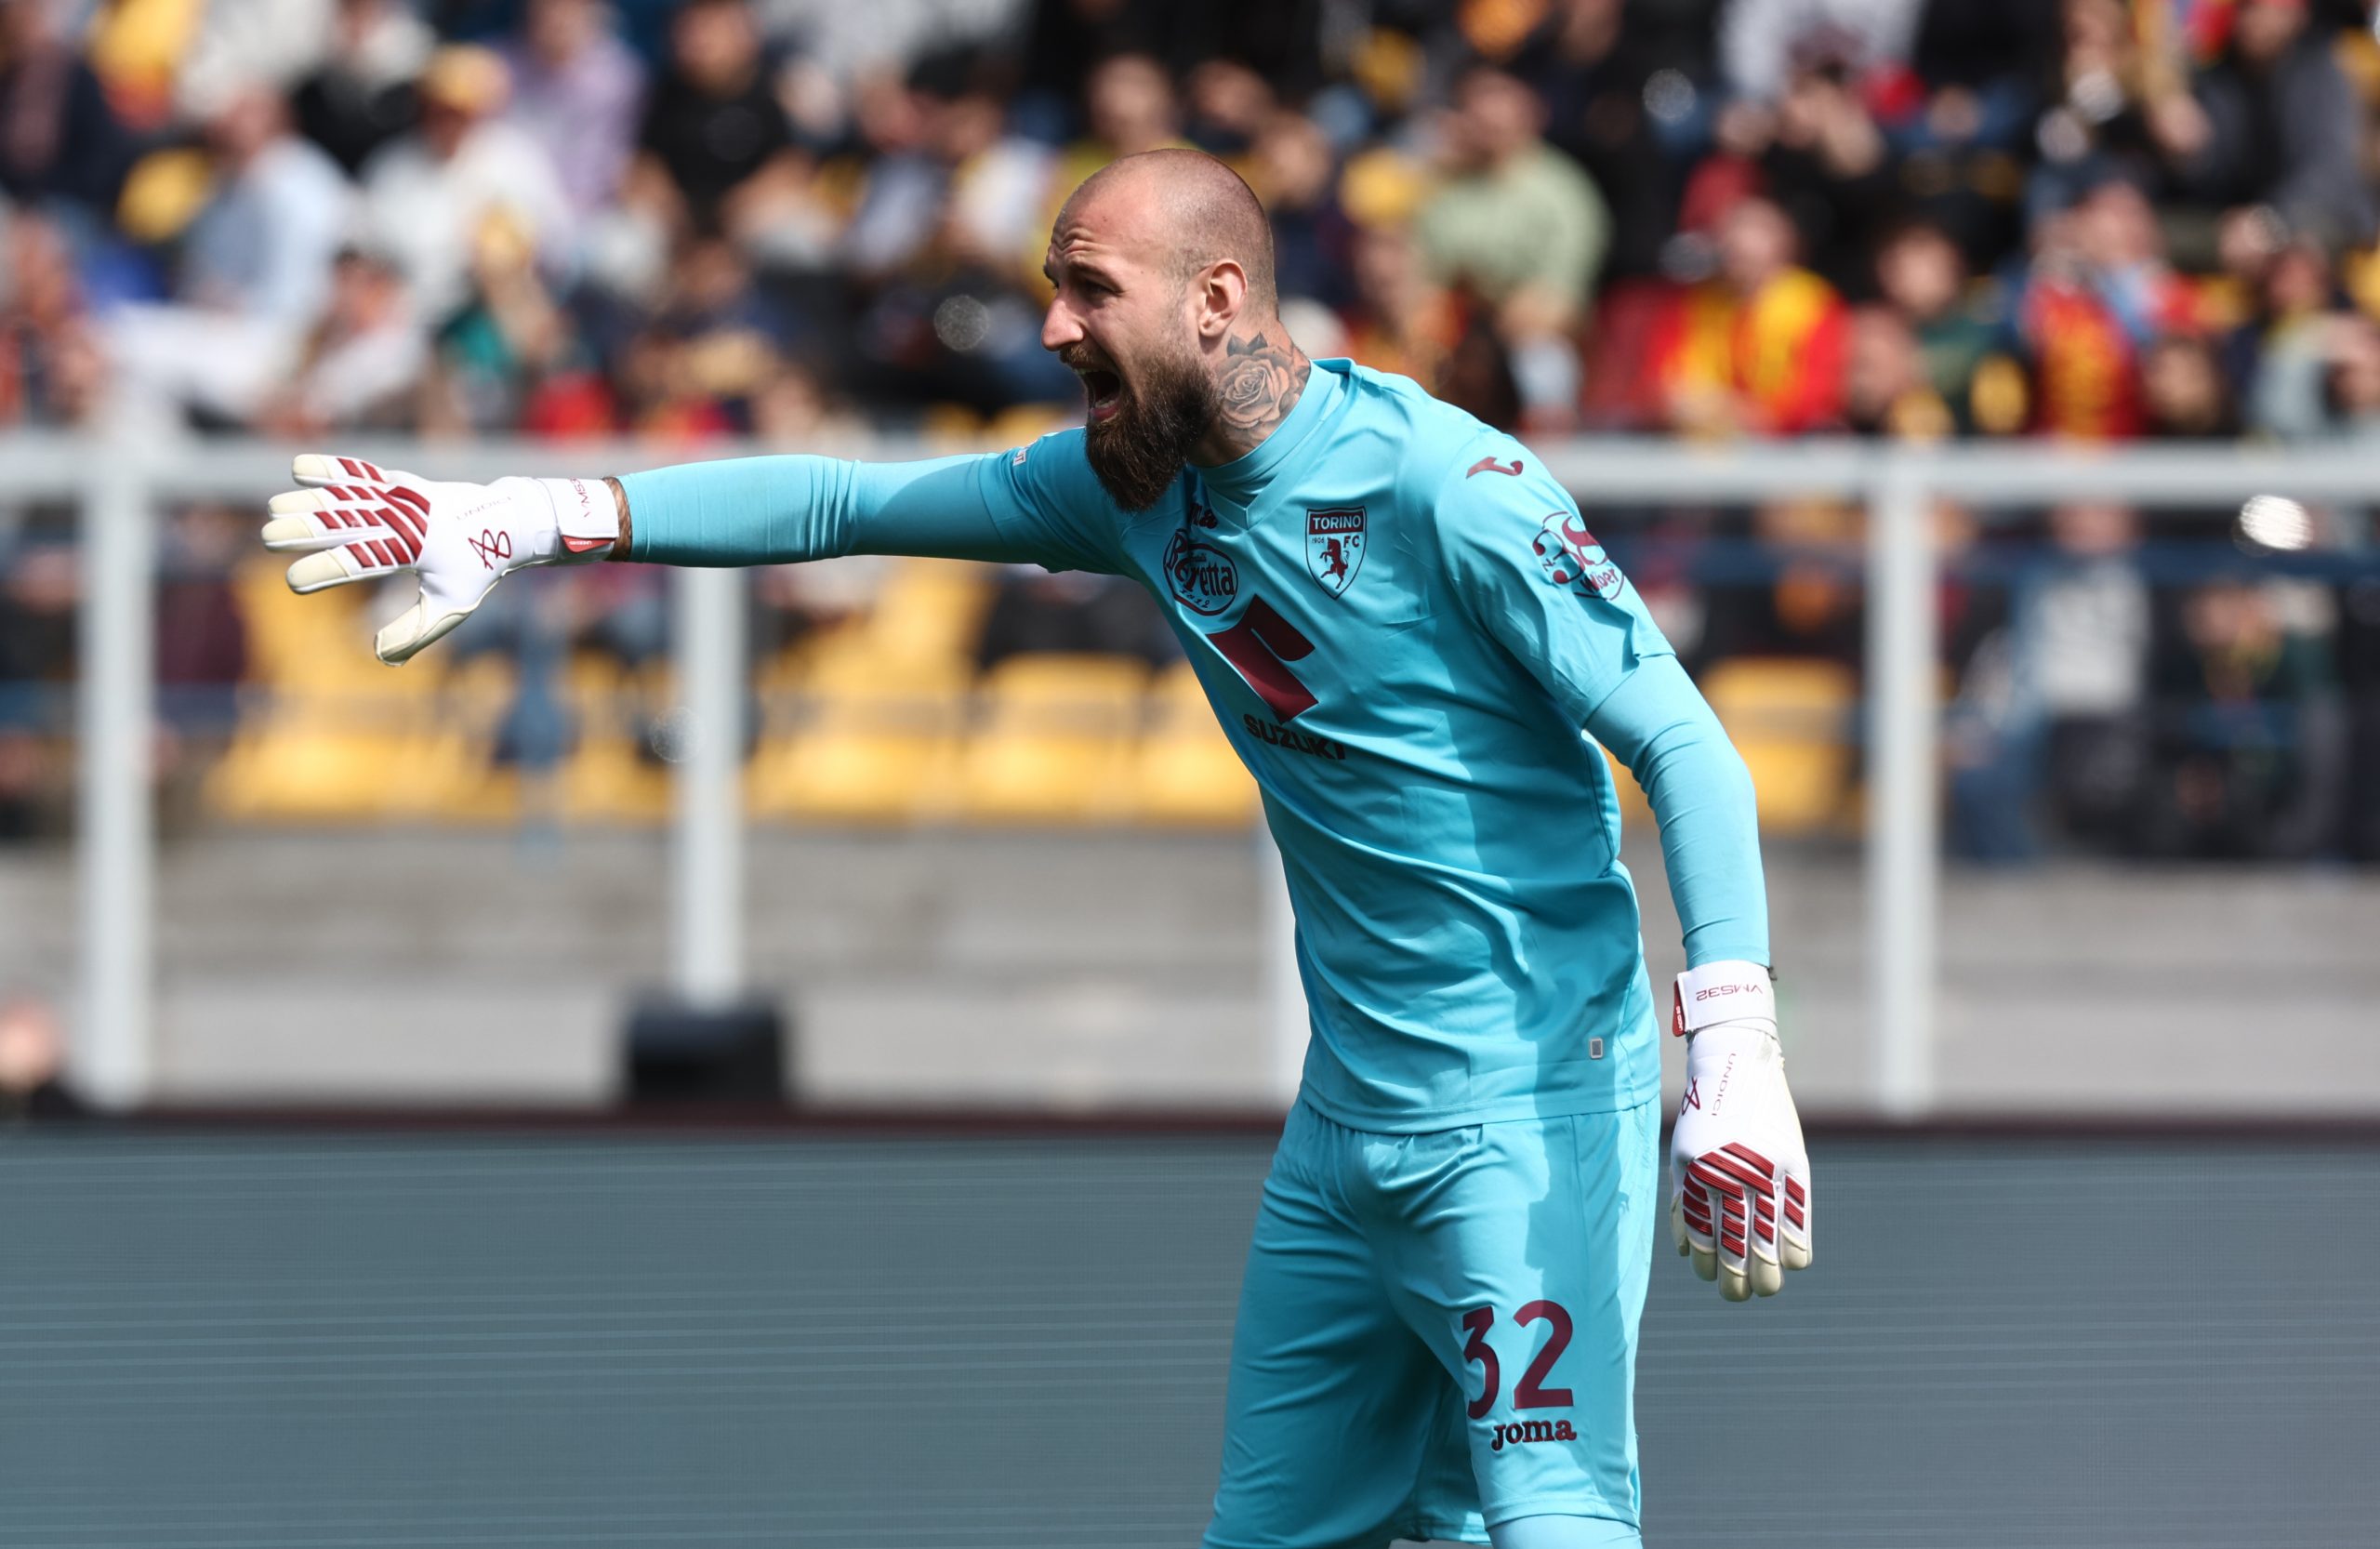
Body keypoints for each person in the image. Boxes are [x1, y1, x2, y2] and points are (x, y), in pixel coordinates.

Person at [258, 148, 1812, 1549]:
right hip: (1347, 1128)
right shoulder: (1139, 491)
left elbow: (1687, 746)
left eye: (1089, 289)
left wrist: (1733, 1042)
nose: (1054, 327)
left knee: (1553, 1518)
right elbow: (841, 503)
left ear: (1216, 299)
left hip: (1530, 1107)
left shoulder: (1449, 488)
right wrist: (537, 514)